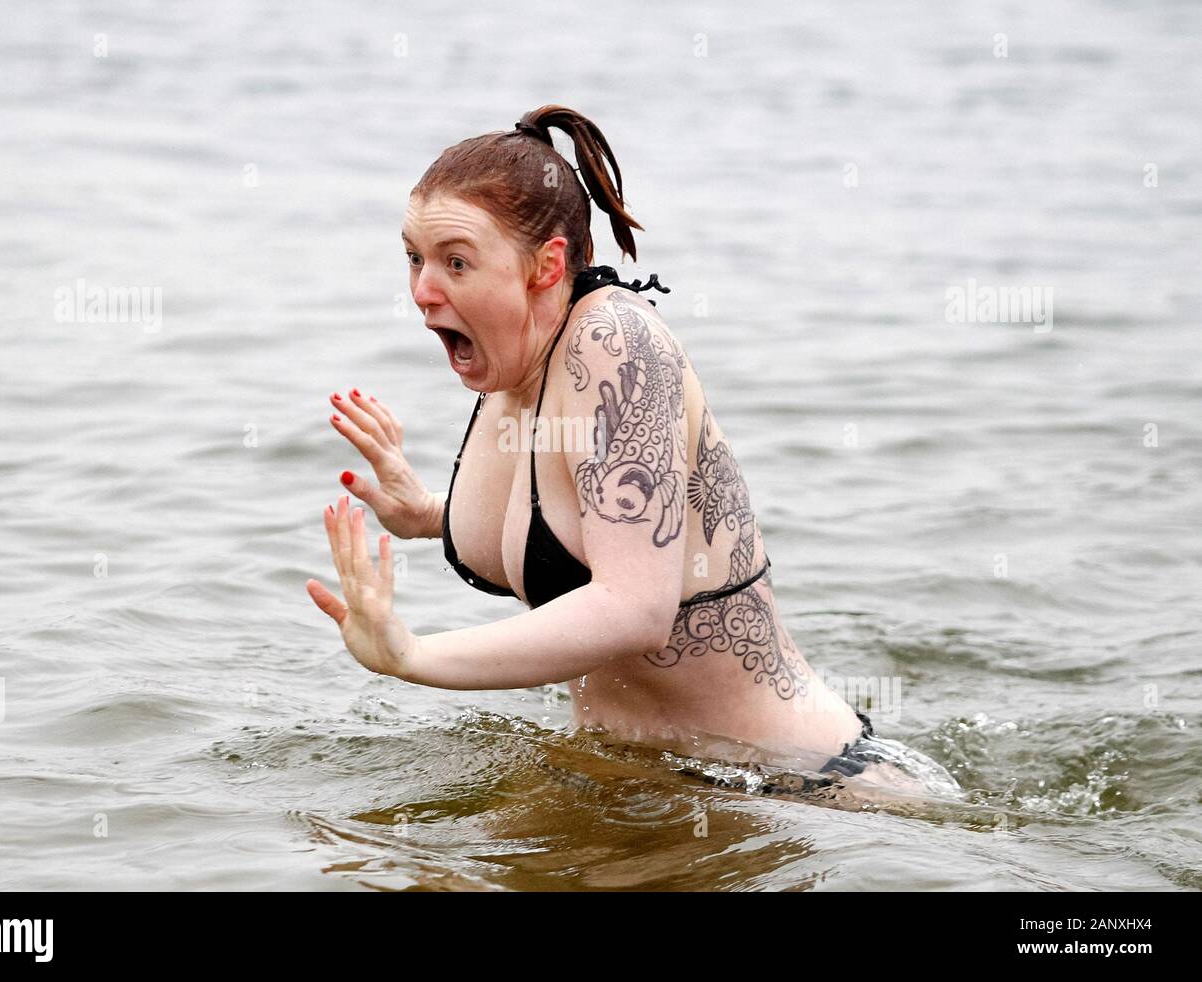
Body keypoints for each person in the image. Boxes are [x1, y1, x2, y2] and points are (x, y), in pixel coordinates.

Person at [305, 104, 964, 803]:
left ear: (545, 265)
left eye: (456, 262)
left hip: (801, 792)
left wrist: (413, 656)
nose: (421, 291)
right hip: (646, 787)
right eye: (414, 258)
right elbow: (580, 524)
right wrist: (429, 516)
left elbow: (633, 604)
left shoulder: (616, 345)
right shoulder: (515, 367)